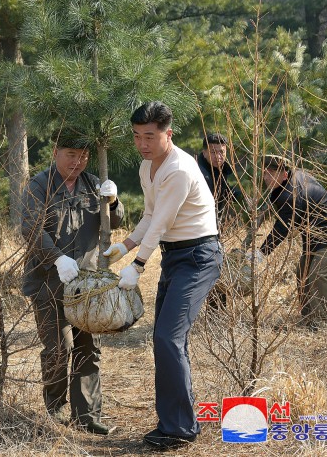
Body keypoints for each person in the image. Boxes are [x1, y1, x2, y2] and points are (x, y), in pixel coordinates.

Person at [102, 101, 221, 451]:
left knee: (169, 338)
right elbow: (150, 215)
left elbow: (163, 222)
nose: (143, 143)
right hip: (175, 257)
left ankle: (180, 428)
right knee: (165, 339)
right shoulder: (147, 167)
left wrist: (137, 266)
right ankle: (175, 421)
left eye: (150, 136)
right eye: (137, 136)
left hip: (198, 256)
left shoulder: (179, 169)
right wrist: (123, 246)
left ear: (168, 134)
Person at [20, 134, 123, 435]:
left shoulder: (93, 184)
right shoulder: (39, 186)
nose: (77, 162)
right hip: (48, 281)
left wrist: (114, 202)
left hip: (87, 283)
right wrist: (57, 258)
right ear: (55, 152)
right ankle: (55, 411)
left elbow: (113, 223)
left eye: (83, 155)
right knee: (58, 348)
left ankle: (87, 416)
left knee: (87, 347)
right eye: (70, 154)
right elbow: (32, 228)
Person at [252, 155, 327, 330]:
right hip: (314, 236)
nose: (266, 178)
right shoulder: (293, 177)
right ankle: (309, 315)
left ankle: (323, 321)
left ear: (284, 174)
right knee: (303, 271)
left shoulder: (291, 194)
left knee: (318, 274)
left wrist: (261, 253)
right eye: (265, 173)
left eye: (271, 174)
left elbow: (281, 230)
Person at [197, 132, 242, 223]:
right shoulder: (198, 172)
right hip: (199, 225)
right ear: (204, 153)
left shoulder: (220, 169)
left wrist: (242, 197)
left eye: (221, 152)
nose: (218, 157)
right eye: (213, 152)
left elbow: (224, 189)